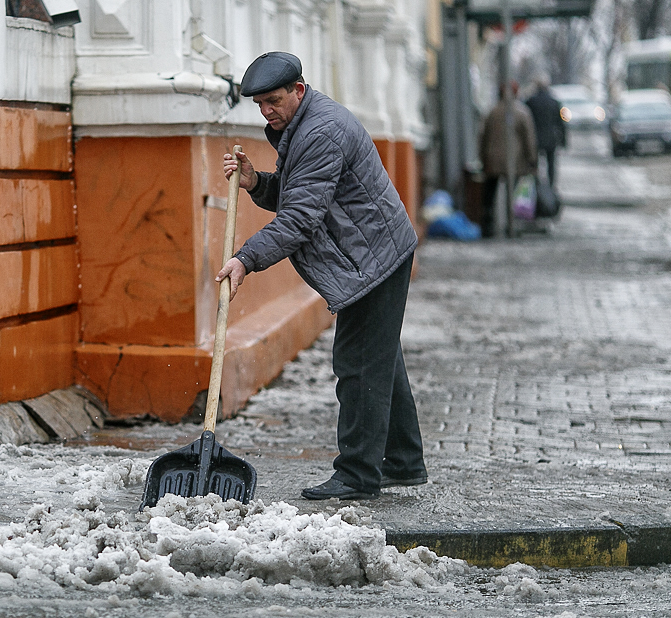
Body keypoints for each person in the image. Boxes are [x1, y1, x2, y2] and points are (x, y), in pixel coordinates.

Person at [217, 51, 426, 501]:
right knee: (381, 361)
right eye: (259, 105)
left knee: (358, 364)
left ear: (298, 89)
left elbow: (300, 220)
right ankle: (403, 461)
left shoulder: (320, 131)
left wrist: (245, 259)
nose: (266, 112)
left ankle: (357, 475)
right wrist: (258, 183)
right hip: (371, 252)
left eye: (273, 101)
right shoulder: (303, 125)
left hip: (372, 259)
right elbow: (306, 196)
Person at [477, 81, 537, 238]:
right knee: (514, 194)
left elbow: (483, 136)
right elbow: (529, 139)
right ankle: (512, 224)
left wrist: (482, 158)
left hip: (492, 160)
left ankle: (488, 225)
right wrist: (532, 160)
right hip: (515, 162)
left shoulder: (492, 112)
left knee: (490, 194)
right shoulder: (522, 112)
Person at [524, 76, 566, 186]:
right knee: (551, 164)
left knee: (534, 165)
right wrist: (563, 141)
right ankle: (551, 187)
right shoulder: (554, 102)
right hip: (551, 138)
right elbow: (560, 123)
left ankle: (537, 187)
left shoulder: (531, 101)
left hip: (535, 138)